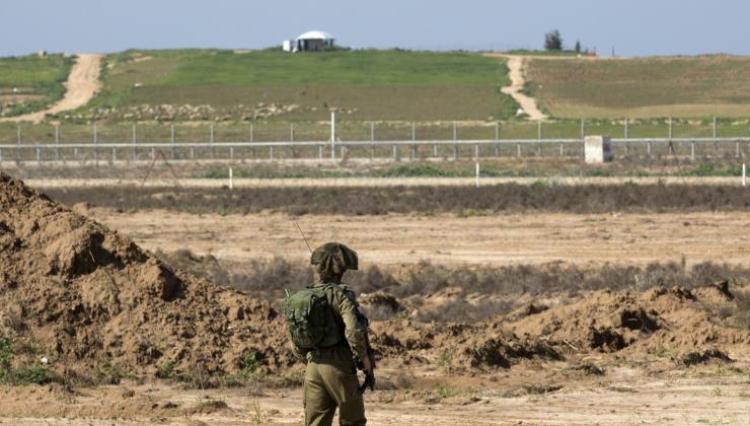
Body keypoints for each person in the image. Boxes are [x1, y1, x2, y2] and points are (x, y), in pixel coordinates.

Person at [284, 242, 373, 426]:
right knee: (353, 421)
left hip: (313, 366)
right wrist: (364, 359)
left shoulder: (304, 296)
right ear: (341, 270)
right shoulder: (341, 295)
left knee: (316, 423)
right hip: (338, 365)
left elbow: (293, 336)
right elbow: (353, 331)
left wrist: (309, 358)